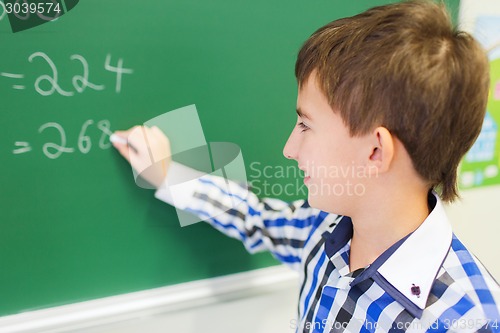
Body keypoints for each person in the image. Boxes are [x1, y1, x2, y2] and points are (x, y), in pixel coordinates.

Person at [112, 1, 500, 332]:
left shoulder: (466, 319)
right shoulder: (325, 228)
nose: (289, 149)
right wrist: (168, 175)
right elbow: (256, 218)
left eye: (305, 125)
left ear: (375, 152)